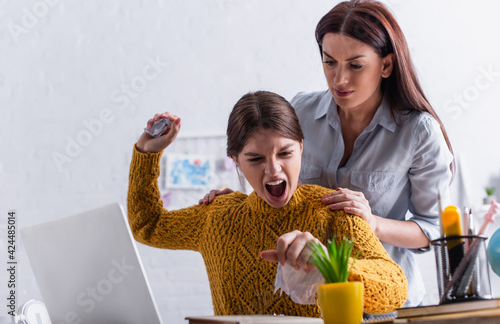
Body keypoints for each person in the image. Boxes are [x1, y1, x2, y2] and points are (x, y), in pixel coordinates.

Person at [200, 0, 454, 307]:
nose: (339, 79)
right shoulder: (301, 111)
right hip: (308, 302)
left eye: (355, 65)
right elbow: (278, 181)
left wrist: (372, 222)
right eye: (329, 61)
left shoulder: (419, 131)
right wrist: (244, 201)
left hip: (380, 301)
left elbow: (432, 230)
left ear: (386, 65)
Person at [128, 91, 407, 317]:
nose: (273, 171)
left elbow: (396, 288)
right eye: (255, 159)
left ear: (301, 147)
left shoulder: (333, 212)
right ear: (235, 161)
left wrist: (330, 263)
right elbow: (148, 226)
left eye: (285, 153)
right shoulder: (216, 216)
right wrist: (146, 154)